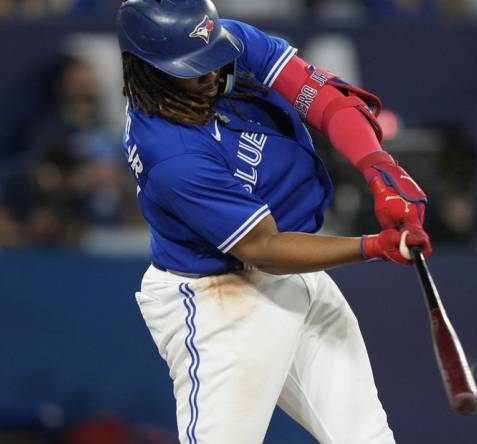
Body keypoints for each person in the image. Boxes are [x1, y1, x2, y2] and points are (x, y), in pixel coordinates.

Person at [117, 1, 431, 442]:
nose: (209, 73)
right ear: (148, 70)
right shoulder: (171, 154)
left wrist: (378, 169)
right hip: (218, 300)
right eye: (192, 67)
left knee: (365, 436)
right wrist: (375, 246)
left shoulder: (225, 43)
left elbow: (324, 99)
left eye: (210, 56)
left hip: (294, 268)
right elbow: (264, 249)